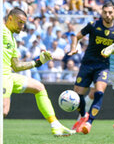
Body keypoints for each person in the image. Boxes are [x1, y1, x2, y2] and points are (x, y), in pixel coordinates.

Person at [3, 7, 75, 136]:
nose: (22, 26)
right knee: (3, 110)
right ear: (10, 18)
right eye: (20, 22)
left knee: (39, 87)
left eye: (24, 23)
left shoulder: (12, 40)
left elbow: (17, 66)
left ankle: (55, 125)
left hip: (8, 75)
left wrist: (38, 62)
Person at [67, 1, 114, 134]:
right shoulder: (93, 25)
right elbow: (76, 36)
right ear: (101, 12)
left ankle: (89, 123)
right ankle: (84, 116)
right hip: (87, 64)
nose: (107, 15)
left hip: (103, 66)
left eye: (110, 12)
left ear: (113, 13)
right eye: (105, 12)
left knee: (99, 93)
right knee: (78, 95)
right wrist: (73, 49)